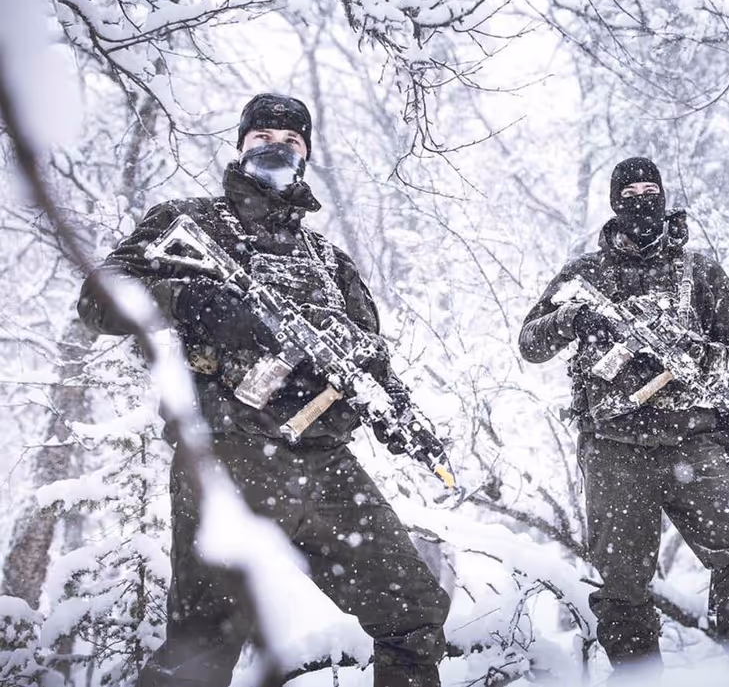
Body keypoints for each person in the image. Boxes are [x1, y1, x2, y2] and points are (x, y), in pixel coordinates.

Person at [77, 94, 450, 687]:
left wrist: (398, 414)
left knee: (413, 611)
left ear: (307, 155)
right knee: (205, 644)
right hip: (229, 457)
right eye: (263, 136)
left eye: (292, 139)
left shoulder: (328, 260)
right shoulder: (191, 223)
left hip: (326, 465)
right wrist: (188, 300)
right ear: (241, 144)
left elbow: (368, 357)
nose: (276, 147)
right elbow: (98, 301)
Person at [518, 157, 729, 678]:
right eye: (630, 190)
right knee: (622, 589)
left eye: (650, 188)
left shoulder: (697, 270)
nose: (642, 197)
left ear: (663, 196)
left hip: (695, 443)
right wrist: (575, 319)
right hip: (615, 450)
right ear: (616, 203)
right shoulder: (586, 274)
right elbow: (531, 342)